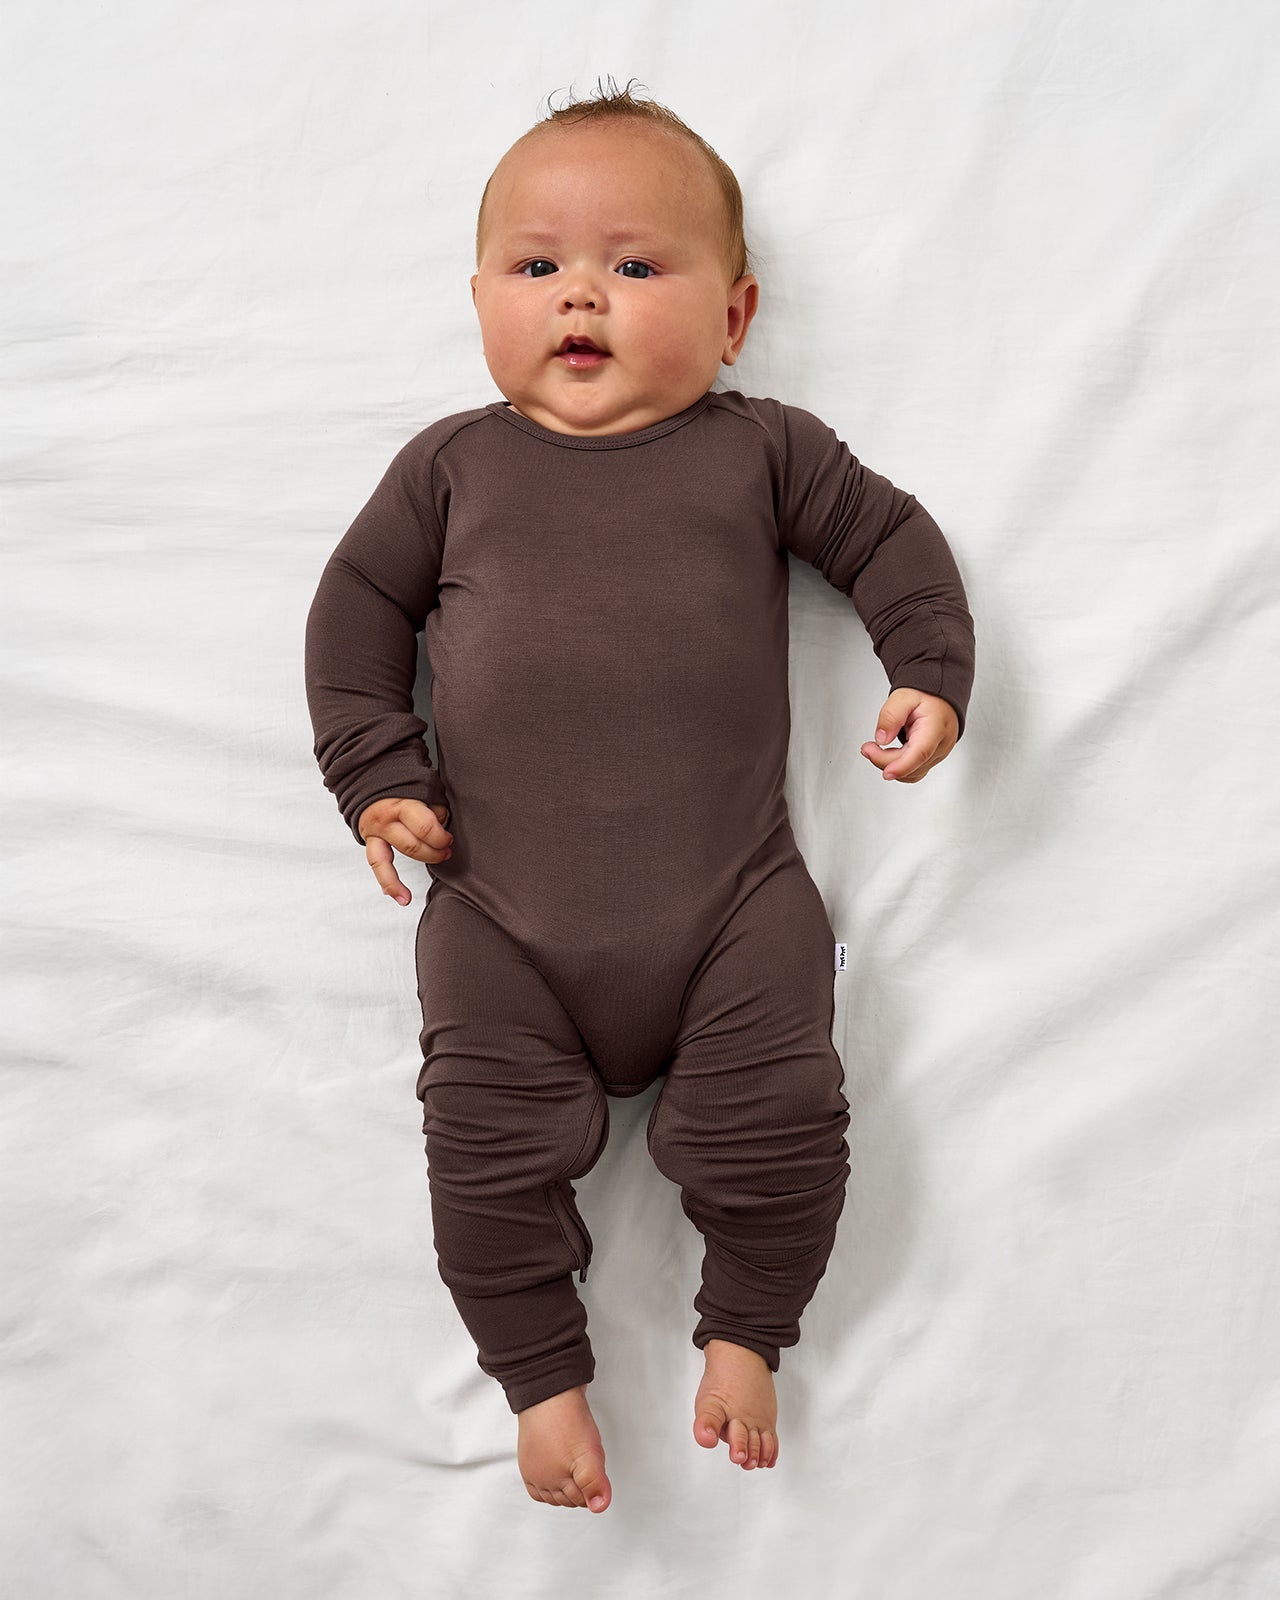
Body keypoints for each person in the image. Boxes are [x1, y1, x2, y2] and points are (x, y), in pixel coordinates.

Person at [304, 79, 975, 1516]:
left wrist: (929, 668)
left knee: (783, 1116)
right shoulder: (450, 469)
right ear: (478, 300)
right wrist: (377, 775)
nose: (581, 296)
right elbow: (354, 618)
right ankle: (540, 1379)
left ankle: (748, 1332)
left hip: (734, 904)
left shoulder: (762, 449)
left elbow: (891, 541)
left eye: (635, 264)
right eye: (537, 265)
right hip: (497, 912)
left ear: (734, 317)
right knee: (478, 1147)